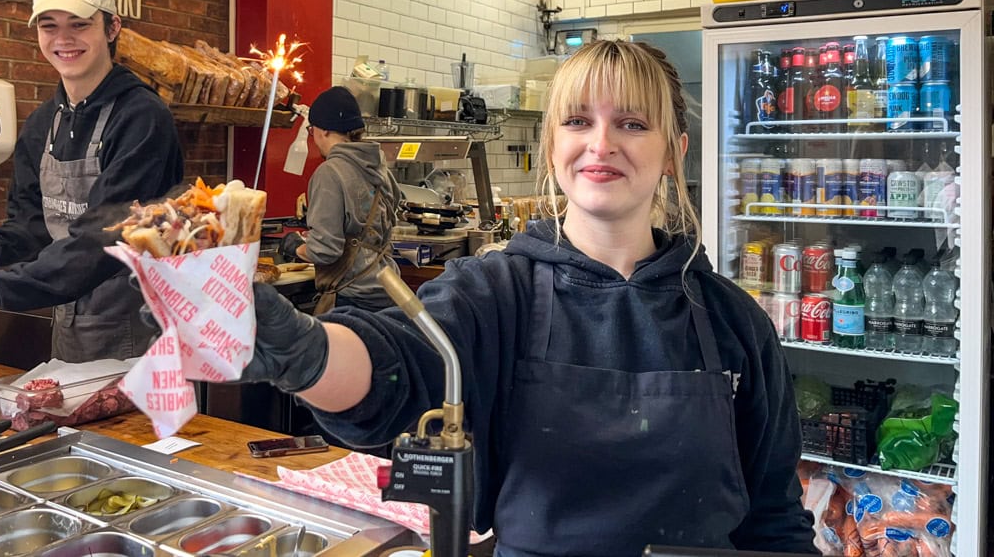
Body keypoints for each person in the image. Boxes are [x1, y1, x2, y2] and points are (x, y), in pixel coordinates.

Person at [242, 41, 816, 556]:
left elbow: (775, 521)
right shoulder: (494, 293)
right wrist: (304, 352)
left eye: (633, 123)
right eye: (577, 121)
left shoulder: (734, 321)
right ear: (551, 147)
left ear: (674, 152)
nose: (601, 143)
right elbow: (395, 367)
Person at [0, 0, 184, 362]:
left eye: (80, 24)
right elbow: (33, 226)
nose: (63, 39)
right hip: (72, 324)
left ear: (112, 28)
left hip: (141, 329)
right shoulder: (42, 122)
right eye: (49, 26)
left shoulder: (142, 117)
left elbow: (104, 239)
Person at [279, 85, 400, 314]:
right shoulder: (381, 168)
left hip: (352, 298)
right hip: (388, 290)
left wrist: (296, 246)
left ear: (323, 130)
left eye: (311, 129)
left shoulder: (330, 172)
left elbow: (325, 250)